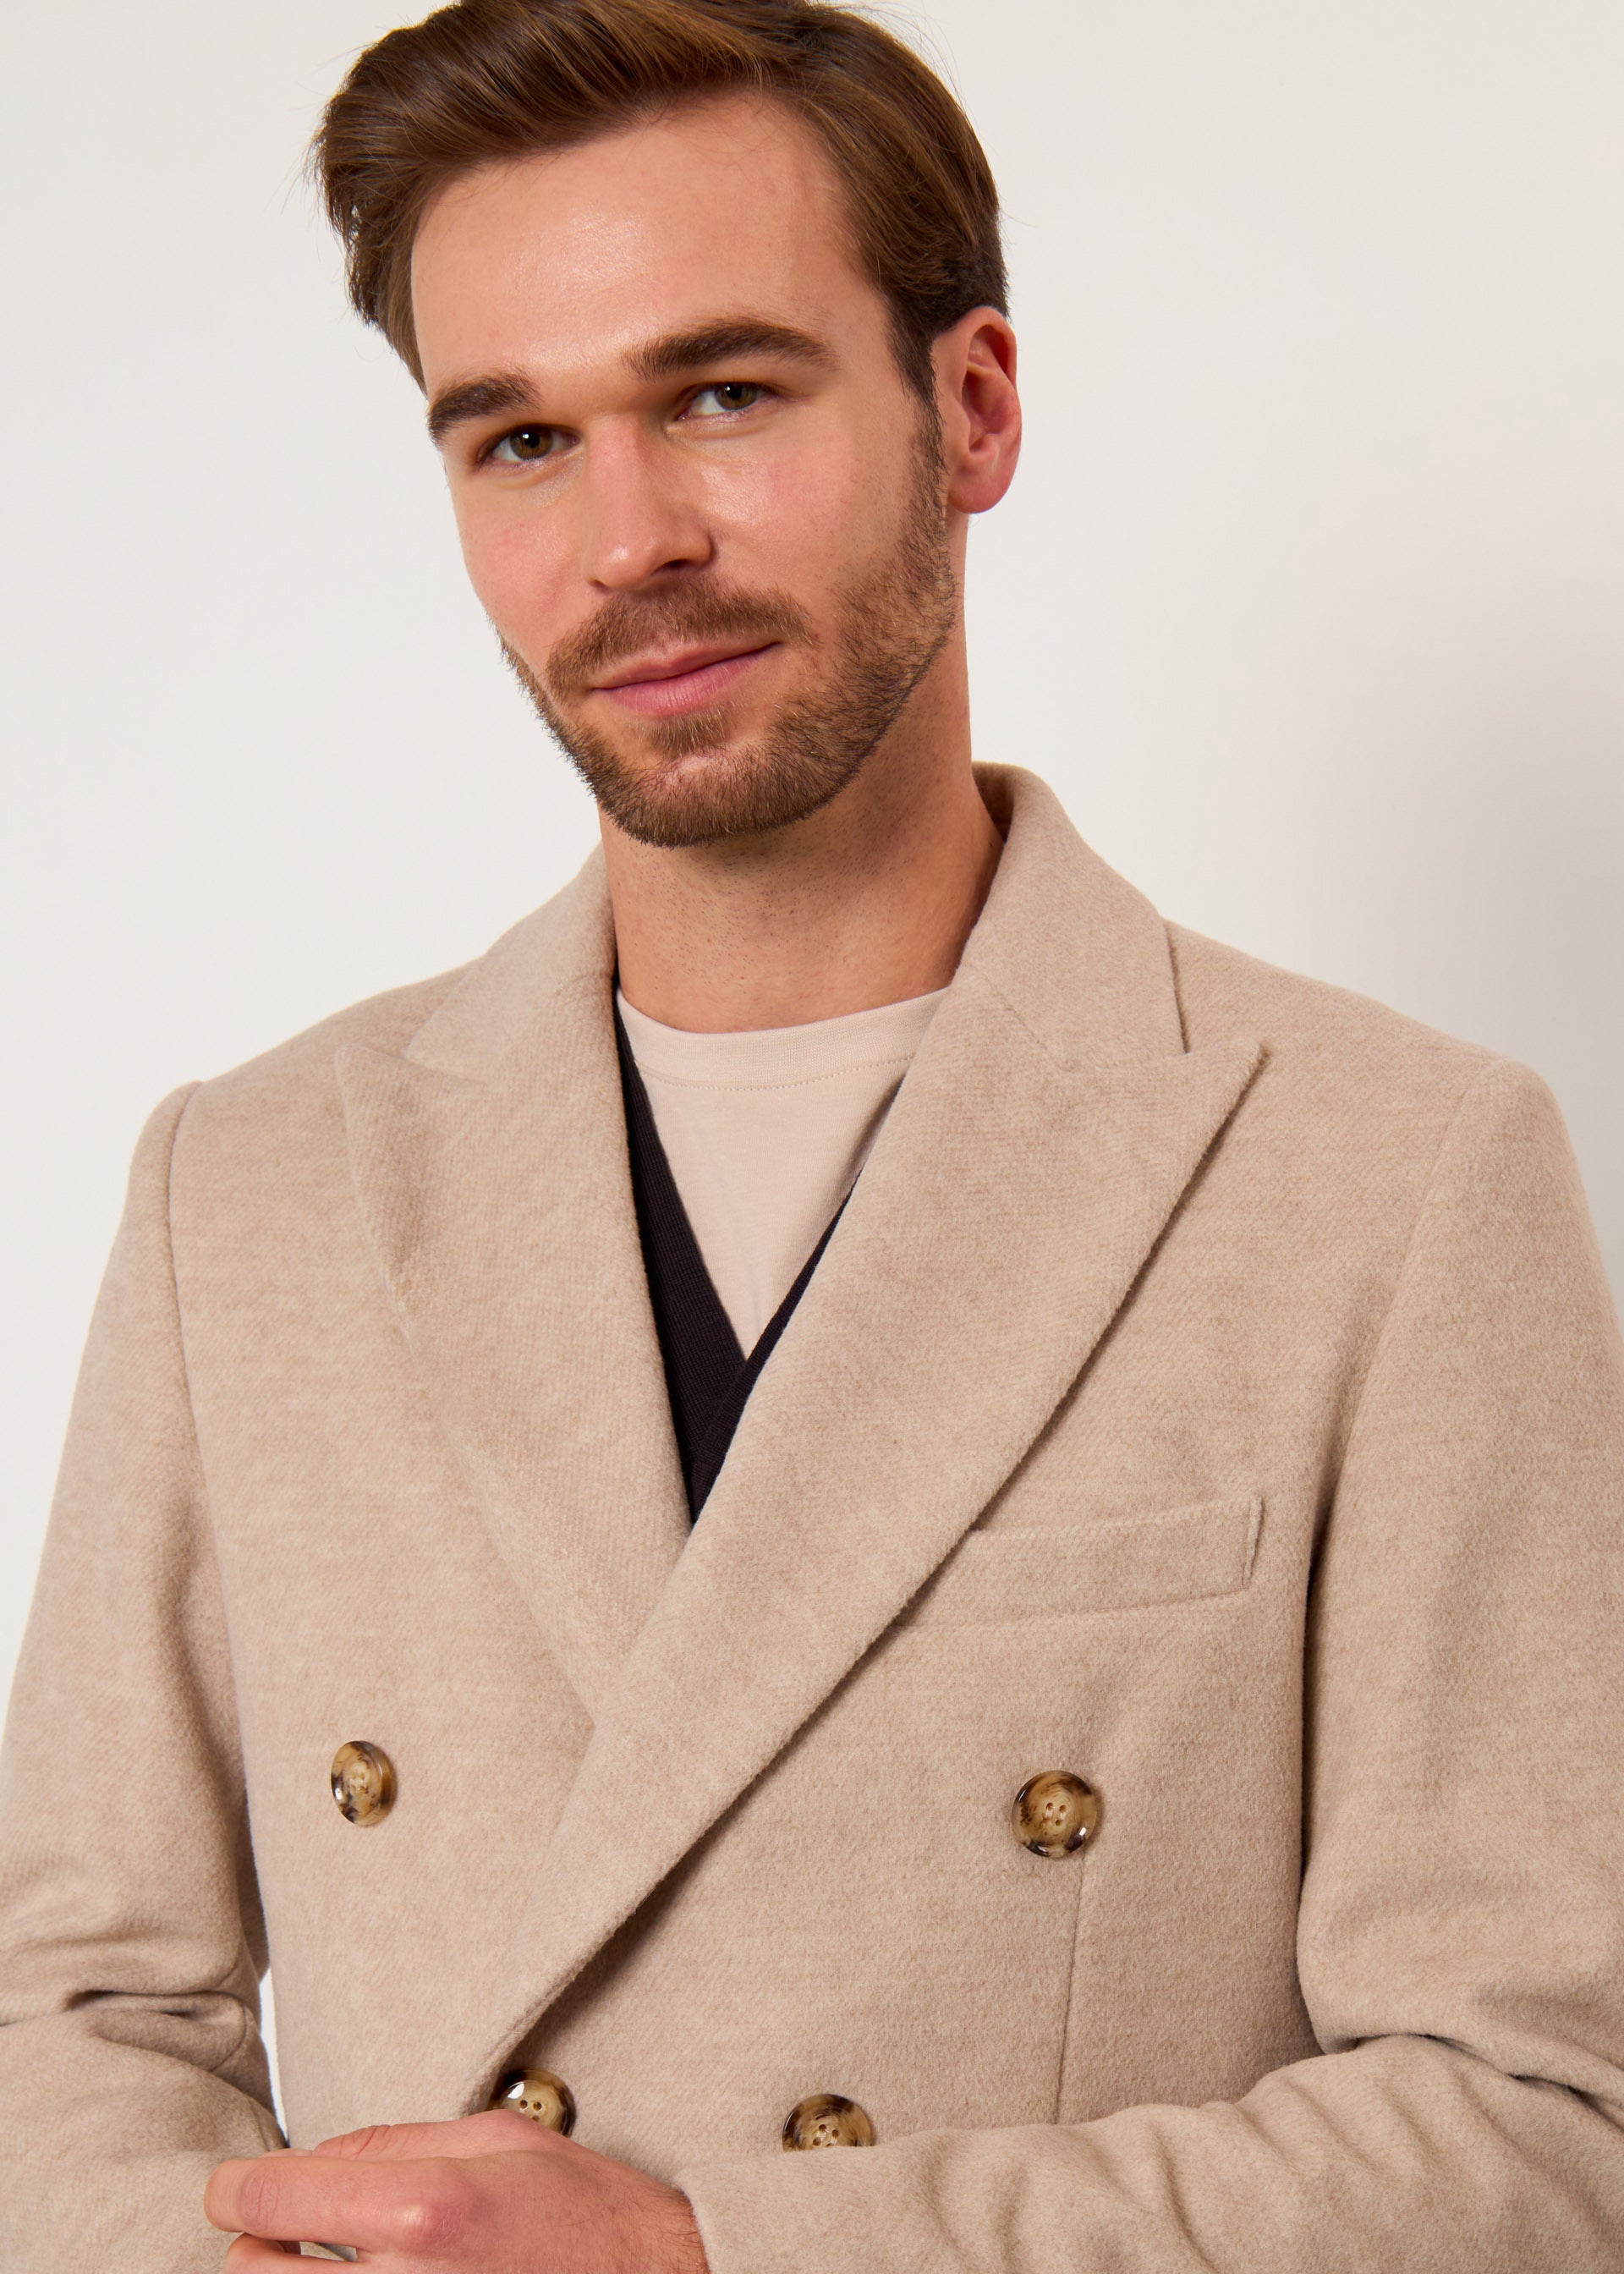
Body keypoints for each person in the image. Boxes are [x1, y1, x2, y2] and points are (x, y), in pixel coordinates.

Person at [2, 0, 1621, 2266]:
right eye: (519, 440)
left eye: (724, 396)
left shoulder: (1395, 1177)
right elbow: (65, 2022)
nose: (628, 542)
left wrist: (713, 2256)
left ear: (974, 408)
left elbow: (1548, 2126)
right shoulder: (249, 1190)